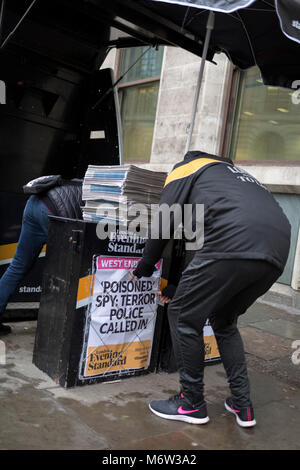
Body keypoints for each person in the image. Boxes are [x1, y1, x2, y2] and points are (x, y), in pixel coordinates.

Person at [132, 150, 291, 428]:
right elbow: (202, 250)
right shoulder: (240, 180)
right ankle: (243, 406)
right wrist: (178, 285)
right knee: (225, 321)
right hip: (276, 251)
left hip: (234, 242)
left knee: (182, 316)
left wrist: (145, 266)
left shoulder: (188, 168)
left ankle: (191, 403)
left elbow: (165, 220)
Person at [0, 176, 83, 336]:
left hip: (34, 204)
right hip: (51, 211)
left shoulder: (76, 184)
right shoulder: (102, 197)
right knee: (67, 270)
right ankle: (62, 329)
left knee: (18, 266)